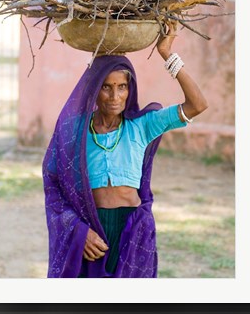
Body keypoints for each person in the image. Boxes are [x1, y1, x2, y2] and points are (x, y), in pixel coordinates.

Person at [42, 28, 208, 278]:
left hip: (133, 230)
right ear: (93, 88)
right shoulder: (73, 131)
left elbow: (197, 105)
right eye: (106, 87)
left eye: (122, 87)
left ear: (130, 89)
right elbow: (52, 183)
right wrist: (78, 230)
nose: (115, 96)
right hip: (90, 231)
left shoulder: (142, 125)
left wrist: (167, 54)